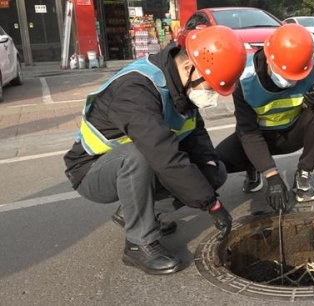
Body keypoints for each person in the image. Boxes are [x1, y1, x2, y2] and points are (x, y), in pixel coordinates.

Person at [63, 25, 247, 275]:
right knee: (140, 155)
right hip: (92, 170)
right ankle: (139, 243)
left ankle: (135, 213)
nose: (212, 95)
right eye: (211, 87)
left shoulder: (181, 86)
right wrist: (212, 204)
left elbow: (195, 132)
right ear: (189, 67)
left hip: (138, 163)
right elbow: (164, 155)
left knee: (214, 173)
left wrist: (209, 165)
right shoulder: (136, 91)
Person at [215, 24, 314, 214]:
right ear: (269, 60)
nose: (289, 82)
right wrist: (271, 175)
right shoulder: (245, 79)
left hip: (291, 134)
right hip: (259, 138)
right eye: (284, 74)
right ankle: (254, 167)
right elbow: (248, 133)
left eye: (295, 77)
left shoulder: (311, 67)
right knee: (219, 161)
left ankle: (303, 175)